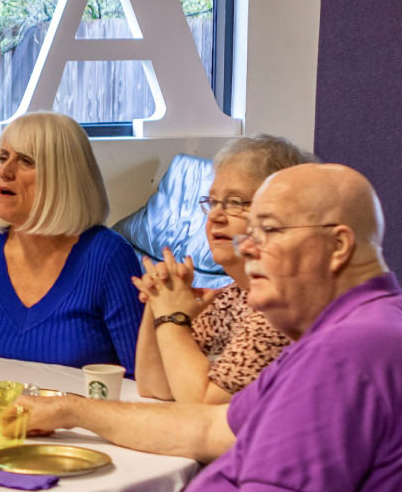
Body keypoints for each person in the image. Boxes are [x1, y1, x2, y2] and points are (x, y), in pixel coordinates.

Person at [11, 164, 402, 492]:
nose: (247, 247)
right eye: (246, 229)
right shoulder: (350, 329)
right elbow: (208, 426)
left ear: (337, 246)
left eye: (269, 230)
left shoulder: (348, 353)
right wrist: (70, 410)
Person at [0, 112, 141, 371]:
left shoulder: (109, 257)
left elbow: (139, 382)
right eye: (3, 158)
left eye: (26, 161)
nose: (4, 172)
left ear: (63, 178)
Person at [132, 135, 312, 403]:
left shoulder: (282, 307)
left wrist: (172, 318)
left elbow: (202, 403)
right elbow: (155, 385)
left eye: (236, 203)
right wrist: (160, 297)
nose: (216, 216)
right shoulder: (231, 295)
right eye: (213, 202)